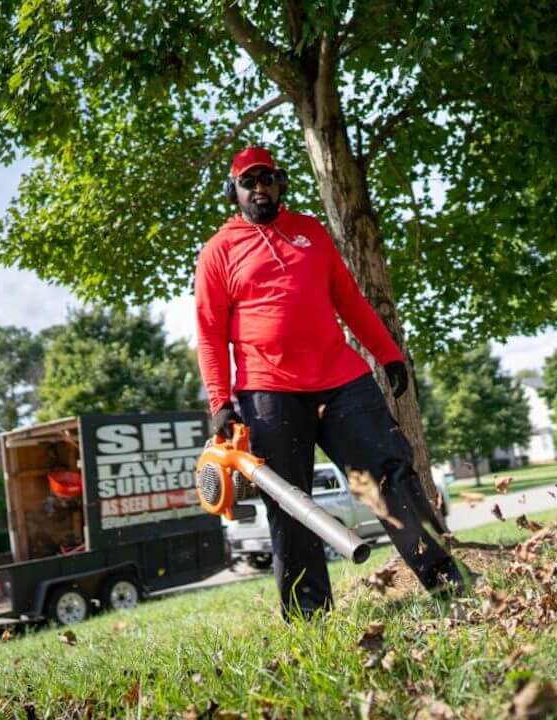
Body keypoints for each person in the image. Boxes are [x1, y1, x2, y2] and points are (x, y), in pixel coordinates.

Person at [194, 146, 468, 619]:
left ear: (280, 184)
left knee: (387, 478)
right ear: (233, 191)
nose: (258, 188)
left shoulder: (311, 232)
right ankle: (309, 619)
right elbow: (209, 332)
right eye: (248, 181)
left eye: (267, 179)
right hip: (268, 392)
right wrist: (221, 401)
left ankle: (446, 584)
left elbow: (349, 298)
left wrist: (388, 353)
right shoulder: (219, 250)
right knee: (292, 506)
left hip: (342, 380)